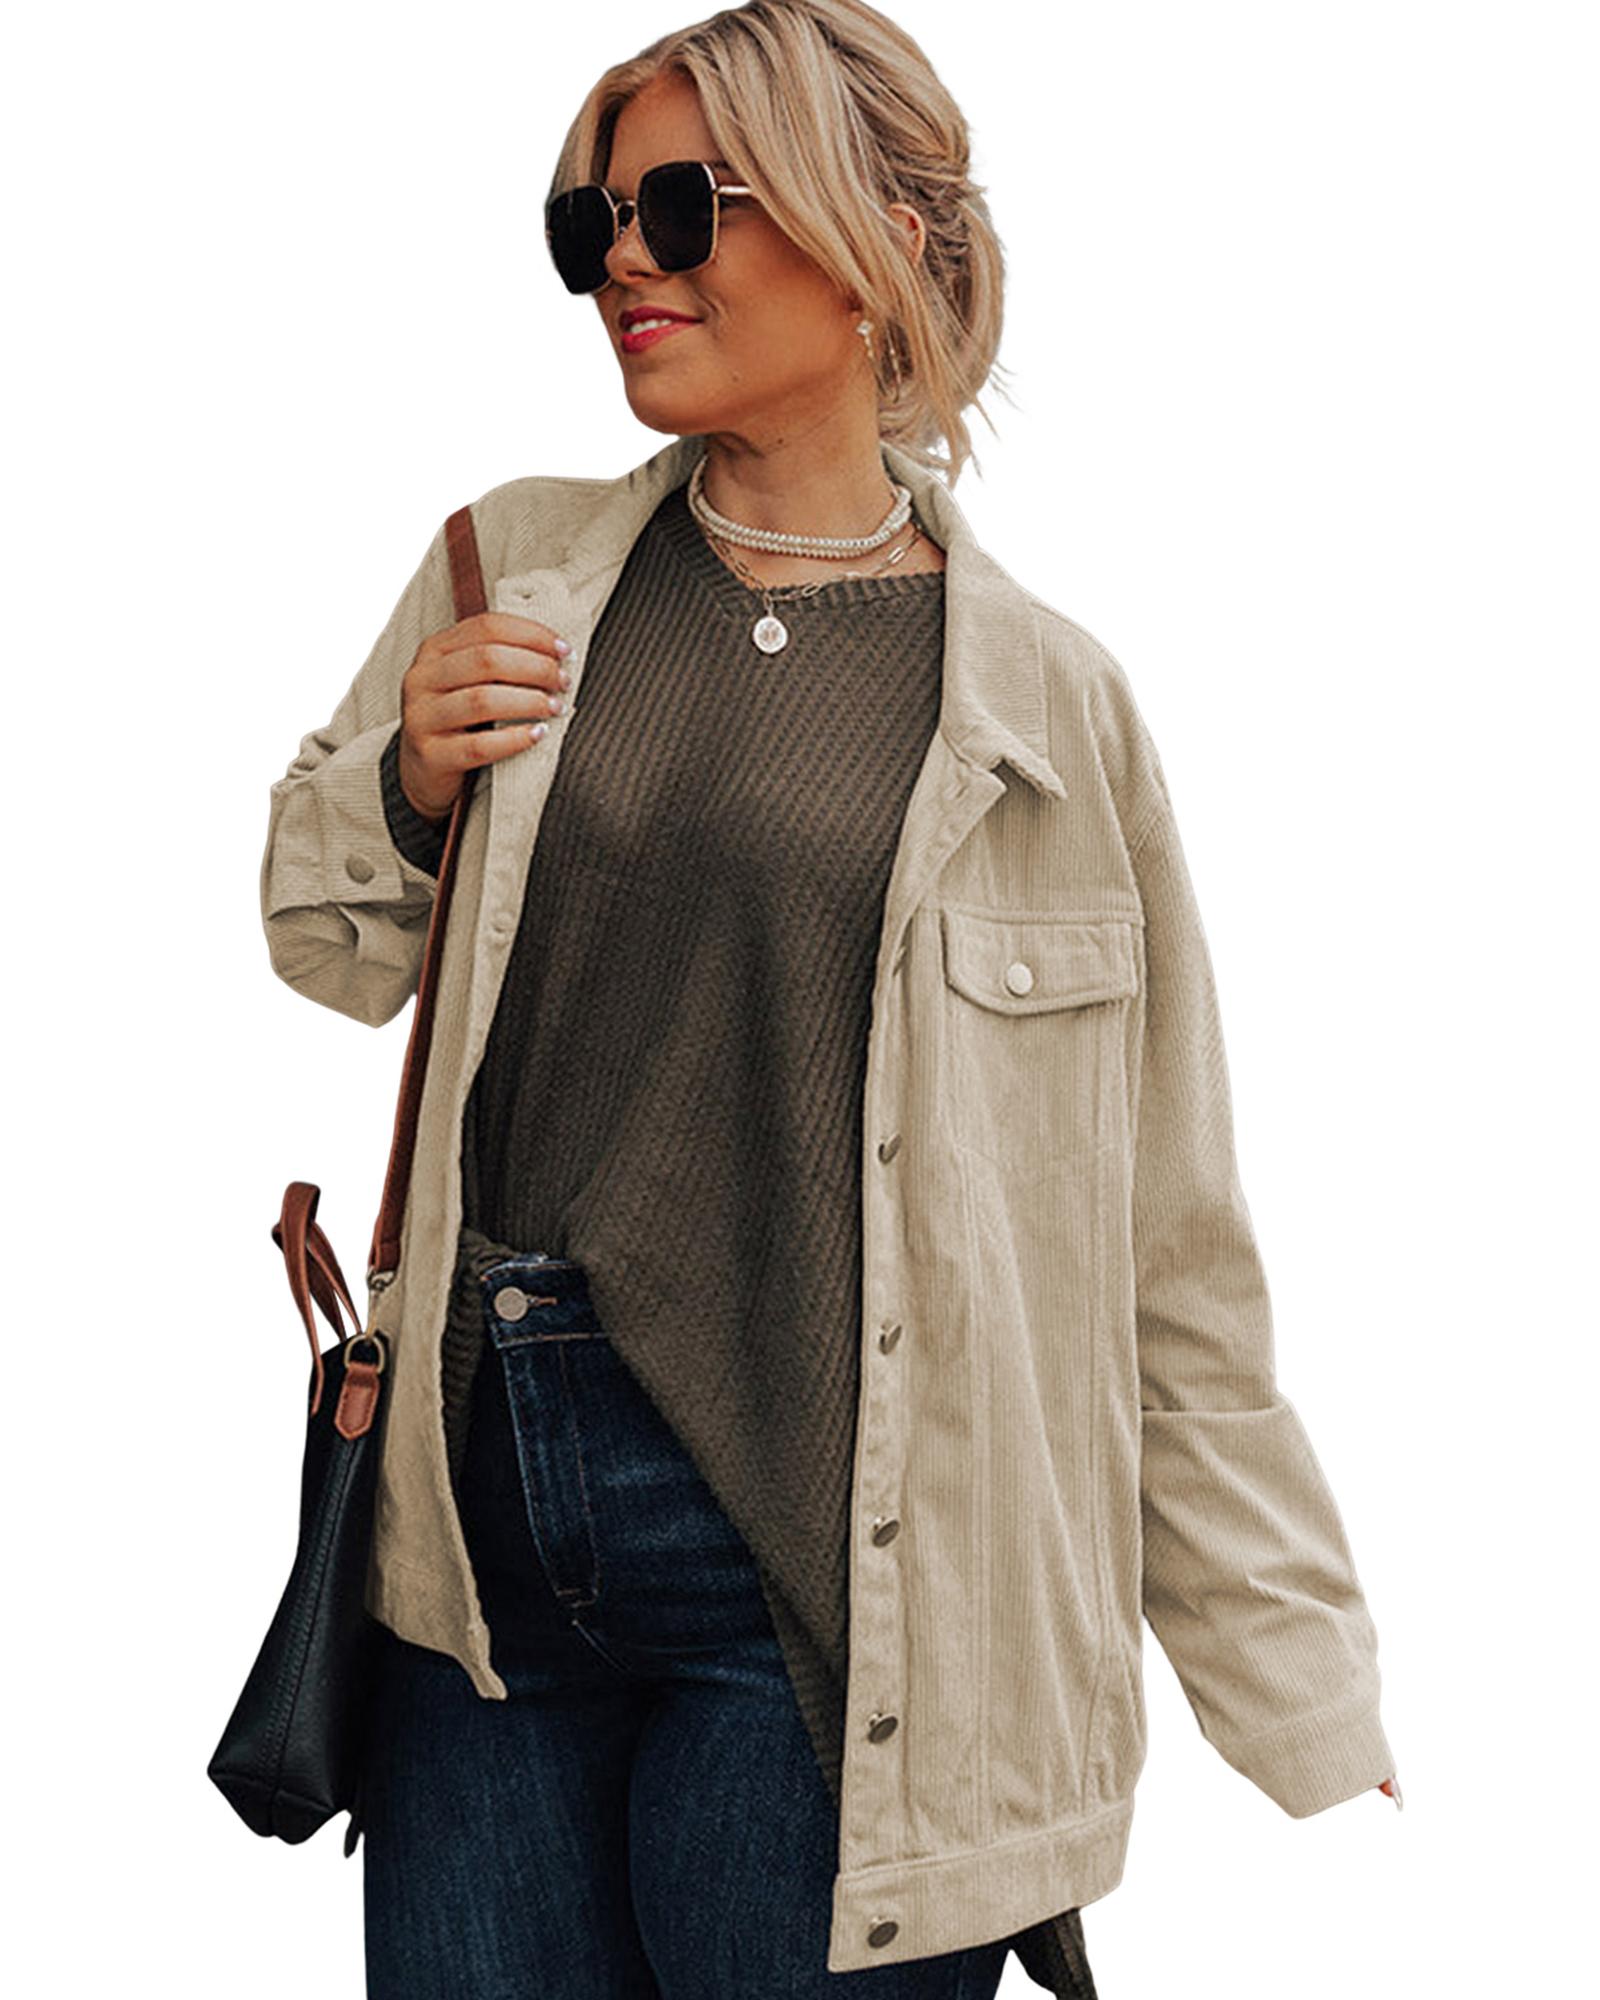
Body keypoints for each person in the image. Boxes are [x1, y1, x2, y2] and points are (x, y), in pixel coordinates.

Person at [259, 4, 1398, 1995]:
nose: (623, 262)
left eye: (682, 208)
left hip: (840, 1599)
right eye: (590, 222)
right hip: (477, 1584)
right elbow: (321, 939)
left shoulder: (1049, 712)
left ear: (878, 237)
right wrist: (402, 786)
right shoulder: (507, 573)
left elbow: (1161, 1246)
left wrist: (1293, 1678)